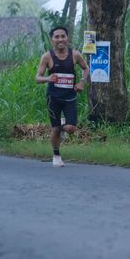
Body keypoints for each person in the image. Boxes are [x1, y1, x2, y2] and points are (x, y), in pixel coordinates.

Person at [35, 25, 90, 167]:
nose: (60, 39)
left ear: (67, 38)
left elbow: (86, 68)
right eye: (57, 37)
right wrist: (48, 78)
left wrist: (82, 82)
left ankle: (62, 127)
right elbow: (37, 78)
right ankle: (56, 155)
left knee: (70, 128)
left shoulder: (75, 55)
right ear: (52, 40)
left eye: (63, 36)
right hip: (53, 98)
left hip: (70, 97)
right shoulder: (47, 57)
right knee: (55, 128)